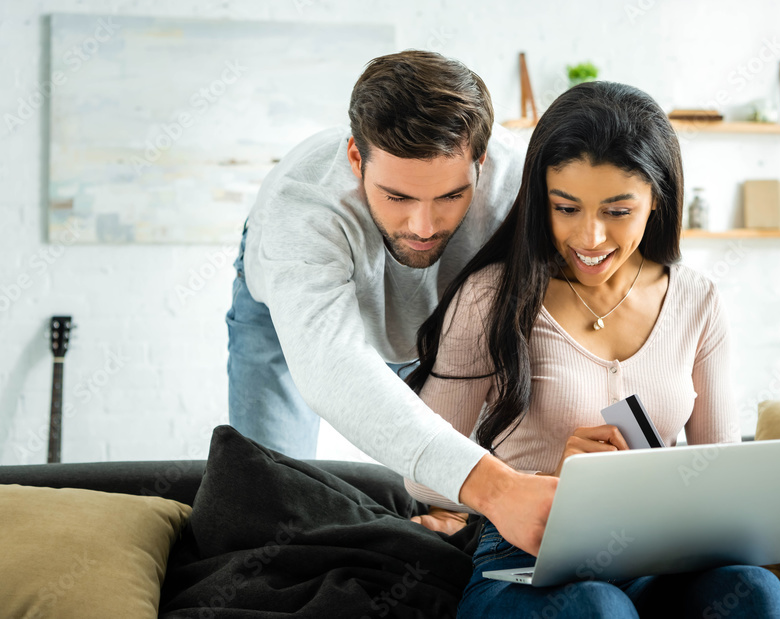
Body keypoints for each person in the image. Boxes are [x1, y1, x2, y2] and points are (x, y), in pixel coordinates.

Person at [403, 81, 780, 617]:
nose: (589, 237)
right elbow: (422, 473)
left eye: (617, 212)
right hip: (524, 558)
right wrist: (551, 485)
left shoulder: (696, 299)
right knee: (596, 607)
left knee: (755, 593)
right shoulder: (490, 298)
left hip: (657, 557)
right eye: (566, 208)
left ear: (656, 199)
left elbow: (719, 476)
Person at [226, 50, 559, 556]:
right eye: (398, 197)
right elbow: (332, 368)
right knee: (267, 499)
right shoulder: (303, 206)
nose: (423, 228)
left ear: (481, 160)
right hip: (287, 320)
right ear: (357, 159)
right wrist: (495, 487)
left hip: (450, 320)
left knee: (452, 513)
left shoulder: (523, 182)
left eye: (449, 196)